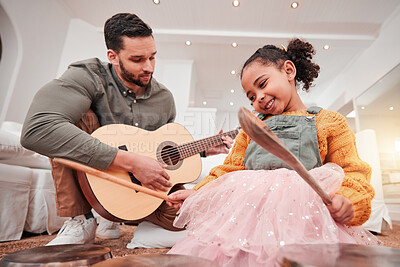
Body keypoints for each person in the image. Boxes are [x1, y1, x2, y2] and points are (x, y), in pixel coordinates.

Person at [20, 13, 233, 246]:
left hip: (135, 190)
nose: (149, 67)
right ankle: (81, 219)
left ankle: (117, 214)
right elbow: (38, 129)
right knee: (69, 122)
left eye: (153, 57)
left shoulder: (164, 99)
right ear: (113, 56)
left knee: (186, 215)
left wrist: (201, 151)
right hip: (91, 176)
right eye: (138, 59)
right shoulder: (87, 76)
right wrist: (130, 162)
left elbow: (156, 149)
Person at [166, 38, 381, 266]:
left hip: (307, 220)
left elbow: (353, 171)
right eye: (251, 96)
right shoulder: (251, 129)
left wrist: (349, 201)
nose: (258, 97)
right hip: (251, 223)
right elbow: (228, 169)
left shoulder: (328, 122)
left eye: (262, 84)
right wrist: (198, 192)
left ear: (288, 71)